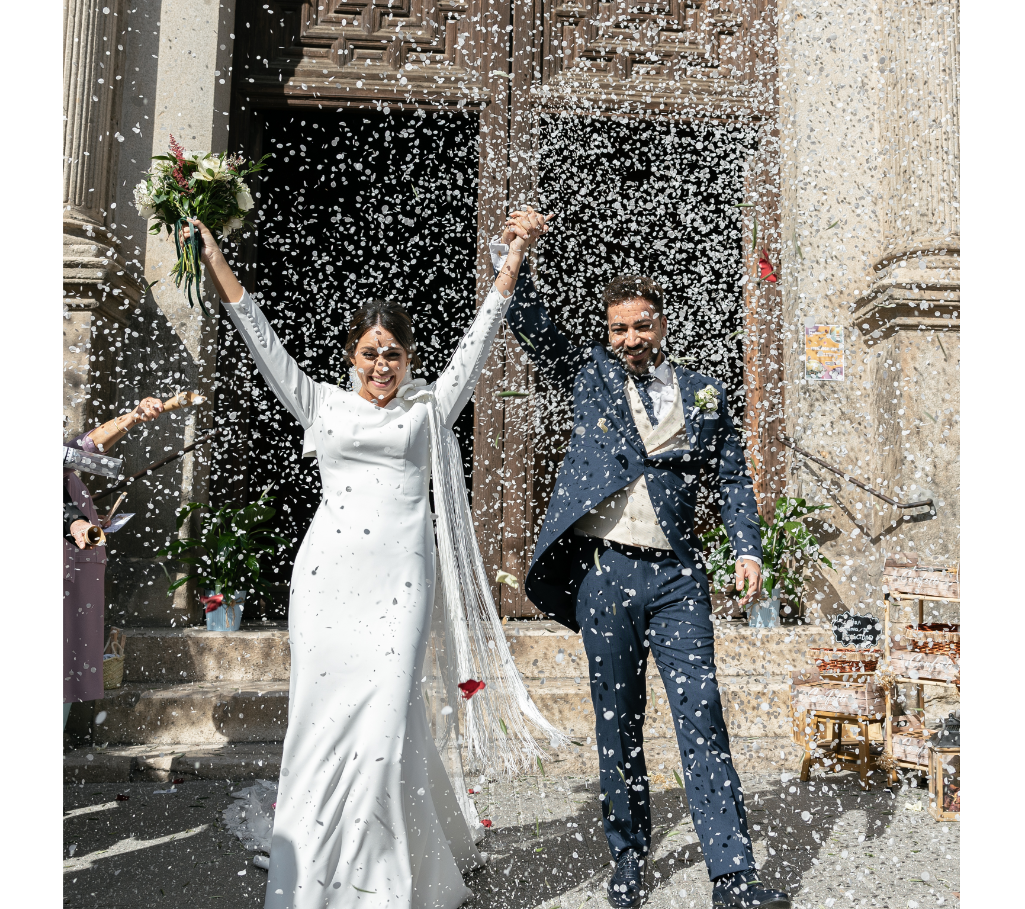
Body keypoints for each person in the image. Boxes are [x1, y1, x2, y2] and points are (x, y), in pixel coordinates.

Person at [187, 216, 566, 908]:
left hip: (400, 585)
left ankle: (386, 879)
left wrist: (513, 259)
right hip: (327, 583)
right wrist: (215, 258)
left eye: (393, 353)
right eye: (370, 353)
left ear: (410, 358)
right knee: (320, 722)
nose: (382, 366)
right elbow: (258, 334)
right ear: (351, 357)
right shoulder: (321, 404)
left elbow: (481, 339)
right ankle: (318, 863)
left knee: (388, 728)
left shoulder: (430, 409)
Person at [498, 209, 790, 909]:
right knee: (616, 722)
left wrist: (747, 549)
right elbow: (531, 324)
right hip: (605, 577)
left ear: (663, 325)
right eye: (619, 329)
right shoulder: (589, 375)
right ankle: (627, 859)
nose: (631, 339)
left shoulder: (704, 391)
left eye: (642, 325)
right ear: (608, 335)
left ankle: (733, 876)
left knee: (703, 718)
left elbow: (731, 478)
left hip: (677, 580)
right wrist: (516, 251)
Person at [65, 395, 167, 731]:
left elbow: (90, 444)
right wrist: (78, 523)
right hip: (70, 566)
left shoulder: (67, 458)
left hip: (82, 567)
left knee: (70, 667)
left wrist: (134, 417)